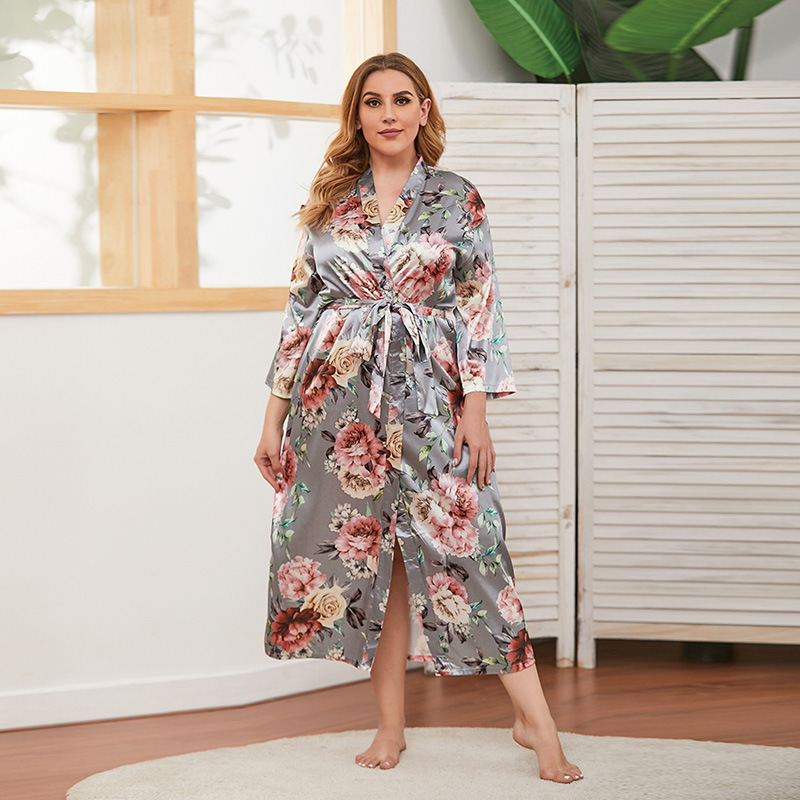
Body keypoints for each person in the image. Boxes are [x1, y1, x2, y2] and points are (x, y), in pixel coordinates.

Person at [254, 51, 582, 784]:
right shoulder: (331, 202)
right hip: (339, 409)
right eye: (373, 102)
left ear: (424, 110)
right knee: (377, 565)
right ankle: (390, 727)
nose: (389, 113)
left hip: (433, 400)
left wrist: (477, 411)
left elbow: (479, 307)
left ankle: (538, 724)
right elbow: (300, 313)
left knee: (477, 551)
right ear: (357, 116)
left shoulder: (458, 198)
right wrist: (272, 418)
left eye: (403, 99)